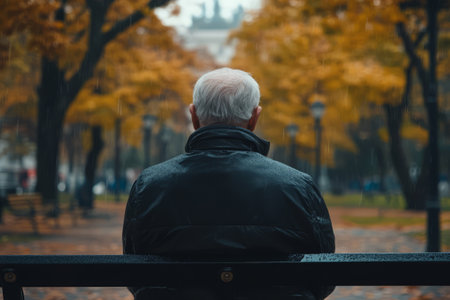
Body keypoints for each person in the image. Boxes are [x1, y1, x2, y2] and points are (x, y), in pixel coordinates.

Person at [122, 68, 335, 300]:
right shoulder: (298, 186)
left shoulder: (150, 185)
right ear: (254, 117)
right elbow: (322, 274)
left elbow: (136, 272)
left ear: (194, 117)